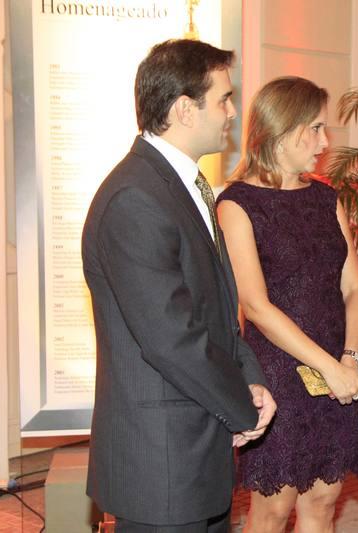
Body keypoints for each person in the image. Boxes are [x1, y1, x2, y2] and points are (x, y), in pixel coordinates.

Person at [82, 39, 276, 532]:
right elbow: (171, 338)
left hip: (193, 450)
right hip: (161, 465)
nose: (232, 112)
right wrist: (240, 407)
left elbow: (216, 311)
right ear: (185, 110)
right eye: (224, 99)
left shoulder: (180, 186)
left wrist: (250, 379)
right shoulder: (135, 198)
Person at [216, 76, 358, 533]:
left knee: (324, 500)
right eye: (316, 128)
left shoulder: (325, 198)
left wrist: (349, 358)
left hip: (338, 363)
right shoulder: (236, 204)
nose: (325, 143)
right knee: (272, 509)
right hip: (277, 371)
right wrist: (330, 367)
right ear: (282, 130)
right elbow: (256, 306)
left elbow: (355, 288)